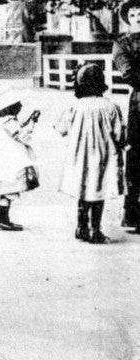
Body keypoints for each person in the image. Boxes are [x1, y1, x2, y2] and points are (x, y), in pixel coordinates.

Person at [54, 63, 126, 243]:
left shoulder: (74, 106)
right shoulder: (110, 107)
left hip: (80, 157)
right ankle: (95, 229)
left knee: (83, 190)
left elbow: (61, 128)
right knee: (99, 191)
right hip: (103, 156)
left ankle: (81, 227)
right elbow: (119, 134)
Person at [0, 88, 40, 231]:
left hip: (2, 162)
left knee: (6, 192)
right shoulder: (9, 122)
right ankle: (3, 221)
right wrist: (32, 122)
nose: (20, 106)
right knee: (9, 192)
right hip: (12, 163)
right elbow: (22, 135)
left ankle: (3, 220)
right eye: (17, 104)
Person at [111, 0, 140, 233]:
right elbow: (128, 72)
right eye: (132, 15)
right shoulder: (122, 44)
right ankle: (132, 213)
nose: (138, 18)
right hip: (139, 102)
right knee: (137, 155)